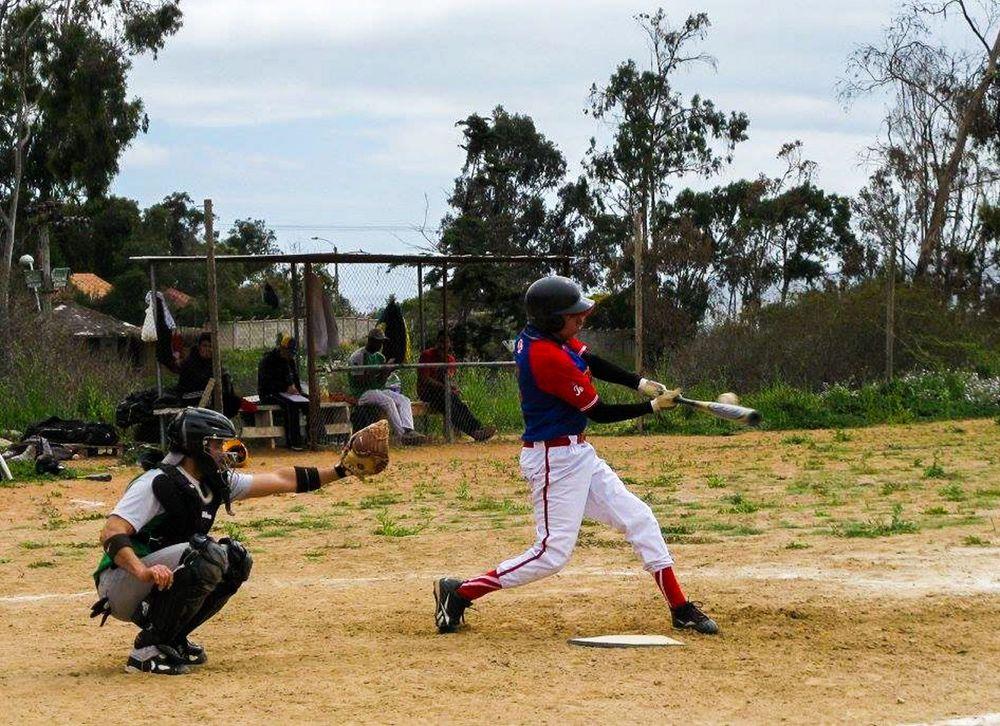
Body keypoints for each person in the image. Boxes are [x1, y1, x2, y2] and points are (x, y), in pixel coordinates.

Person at [433, 276, 719, 636]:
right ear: (553, 319)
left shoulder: (542, 336)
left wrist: (637, 381)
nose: (580, 318)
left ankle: (679, 607)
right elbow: (598, 412)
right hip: (555, 462)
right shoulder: (546, 356)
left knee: (640, 519)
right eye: (572, 315)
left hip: (577, 453)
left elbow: (591, 359)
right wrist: (651, 407)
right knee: (551, 555)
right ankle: (458, 593)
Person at [90, 407, 388, 675]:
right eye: (217, 444)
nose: (224, 451)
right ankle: (146, 650)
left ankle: (171, 639)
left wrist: (341, 471)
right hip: (121, 581)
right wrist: (143, 572)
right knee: (208, 556)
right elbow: (112, 532)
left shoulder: (212, 481)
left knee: (235, 559)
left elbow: (282, 480)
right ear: (198, 446)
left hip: (157, 576)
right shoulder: (157, 482)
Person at [348, 329, 425, 445]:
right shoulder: (358, 356)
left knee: (404, 400)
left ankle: (409, 430)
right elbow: (360, 380)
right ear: (370, 341)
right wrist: (379, 369)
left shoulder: (380, 357)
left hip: (378, 390)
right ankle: (402, 436)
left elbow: (381, 381)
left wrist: (387, 371)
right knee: (388, 401)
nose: (380, 345)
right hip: (362, 393)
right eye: (378, 342)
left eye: (381, 342)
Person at [418, 330, 496, 442]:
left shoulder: (450, 359)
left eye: (446, 343)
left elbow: (449, 379)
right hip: (428, 392)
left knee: (459, 404)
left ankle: (478, 428)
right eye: (441, 342)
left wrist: (452, 387)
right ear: (436, 342)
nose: (443, 346)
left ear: (450, 344)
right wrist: (443, 386)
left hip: (444, 392)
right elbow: (424, 379)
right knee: (449, 403)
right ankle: (474, 432)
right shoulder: (427, 355)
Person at [257, 334, 309, 450]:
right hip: (269, 393)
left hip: (288, 393)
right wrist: (285, 388)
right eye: (289, 352)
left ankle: (313, 437)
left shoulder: (290, 361)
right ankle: (294, 441)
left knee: (309, 402)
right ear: (282, 349)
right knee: (291, 405)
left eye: (292, 353)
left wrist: (297, 391)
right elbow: (267, 384)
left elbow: (295, 380)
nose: (291, 356)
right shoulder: (268, 360)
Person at [175, 332, 242, 417]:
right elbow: (195, 384)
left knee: (234, 400)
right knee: (213, 397)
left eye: (210, 346)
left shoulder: (215, 363)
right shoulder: (190, 363)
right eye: (205, 346)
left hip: (209, 394)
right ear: (199, 347)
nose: (207, 349)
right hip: (189, 396)